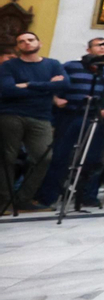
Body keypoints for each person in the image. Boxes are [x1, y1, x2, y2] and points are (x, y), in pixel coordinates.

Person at [39, 37, 104, 210]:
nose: (103, 48)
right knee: (61, 155)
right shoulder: (71, 65)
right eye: (98, 45)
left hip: (97, 115)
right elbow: (53, 85)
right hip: (71, 113)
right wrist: (56, 99)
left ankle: (87, 195)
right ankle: (48, 196)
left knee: (93, 158)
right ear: (88, 49)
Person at [0, 31, 69, 212]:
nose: (27, 43)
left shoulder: (53, 64)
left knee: (43, 157)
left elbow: (63, 85)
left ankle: (23, 198)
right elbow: (8, 90)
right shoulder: (9, 66)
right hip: (11, 114)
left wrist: (28, 84)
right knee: (7, 157)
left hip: (41, 116)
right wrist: (47, 86)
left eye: (30, 40)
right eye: (21, 41)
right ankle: (4, 201)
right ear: (18, 47)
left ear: (39, 42)